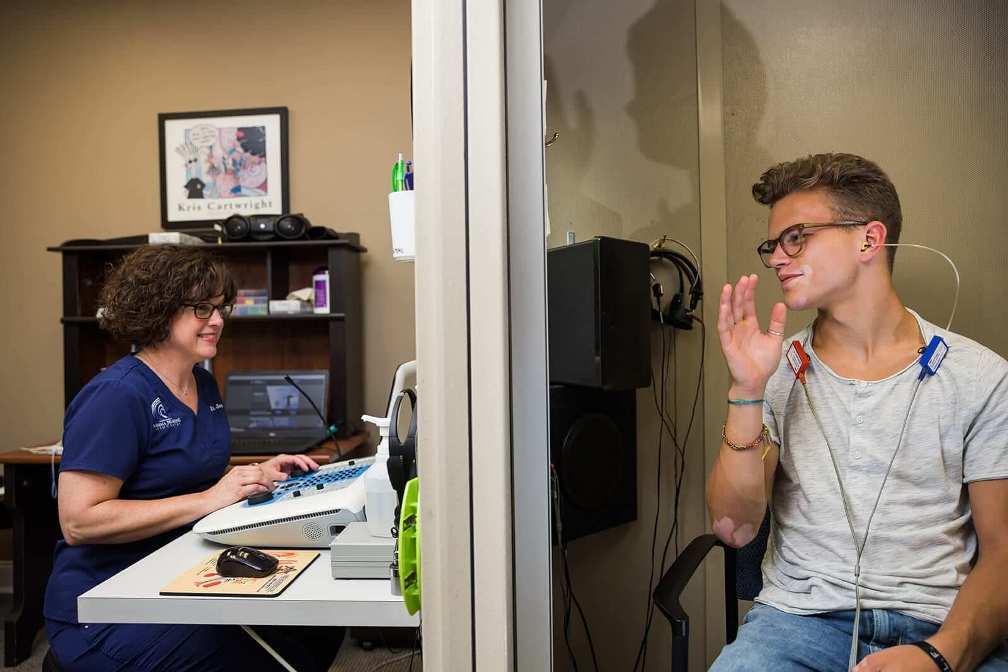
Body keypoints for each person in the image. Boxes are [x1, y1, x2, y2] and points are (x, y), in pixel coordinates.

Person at [707, 153, 1008, 671]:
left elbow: (1003, 552)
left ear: (869, 240)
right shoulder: (775, 371)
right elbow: (733, 529)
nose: (777, 258)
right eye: (772, 245)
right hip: (799, 624)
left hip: (942, 626)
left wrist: (940, 656)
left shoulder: (980, 376)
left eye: (796, 237)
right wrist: (746, 388)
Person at [43, 245, 344, 671]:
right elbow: (78, 521)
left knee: (315, 622)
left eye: (221, 308)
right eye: (202, 308)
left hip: (180, 574)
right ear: (159, 308)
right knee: (254, 656)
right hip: (105, 604)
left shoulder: (202, 385)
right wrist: (210, 499)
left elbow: (187, 473)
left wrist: (254, 474)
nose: (218, 320)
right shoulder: (116, 395)